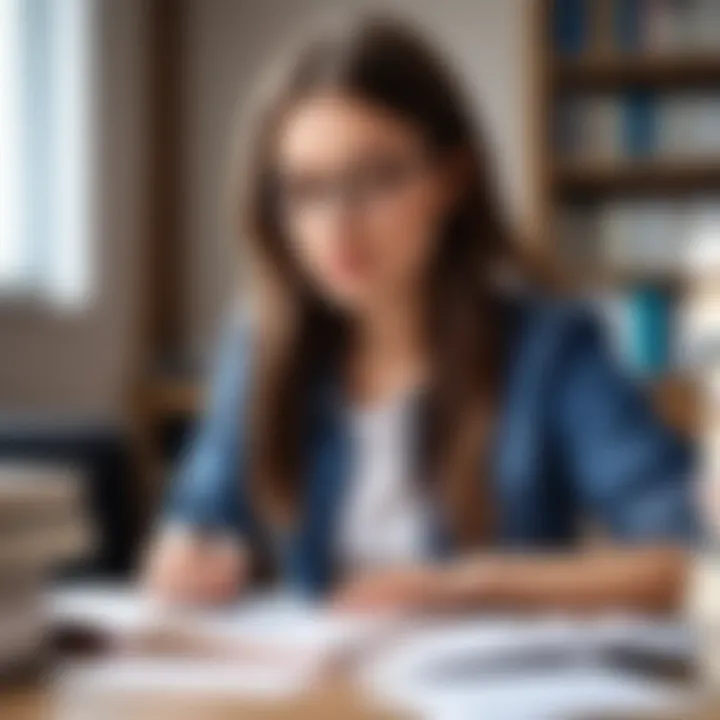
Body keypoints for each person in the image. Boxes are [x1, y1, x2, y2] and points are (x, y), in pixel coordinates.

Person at [144, 16, 696, 614]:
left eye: (376, 177)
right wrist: (186, 557)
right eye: (305, 189)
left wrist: (466, 586)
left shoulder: (552, 348)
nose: (337, 226)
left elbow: (687, 553)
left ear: (450, 180)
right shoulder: (262, 345)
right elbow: (195, 525)